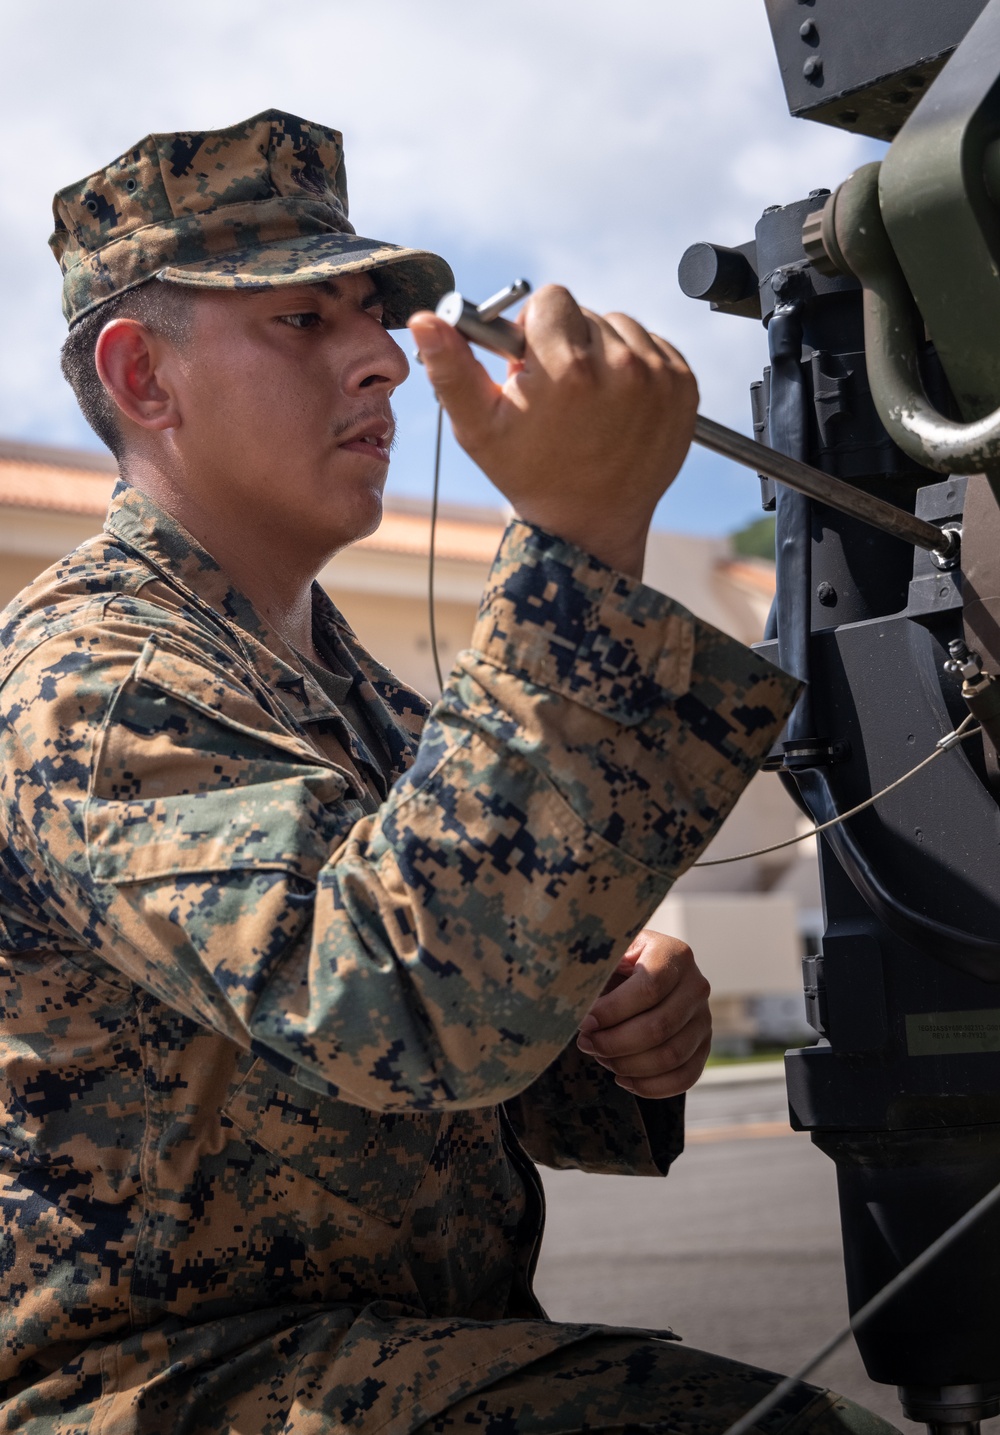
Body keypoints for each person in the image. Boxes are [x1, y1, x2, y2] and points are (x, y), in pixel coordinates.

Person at [0, 109, 893, 1435]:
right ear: (143, 379)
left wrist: (616, 1020)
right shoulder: (97, 675)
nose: (378, 361)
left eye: (372, 317)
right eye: (303, 322)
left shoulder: (333, 683)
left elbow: (456, 1028)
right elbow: (400, 1010)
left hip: (365, 1352)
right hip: (157, 1384)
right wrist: (582, 536)